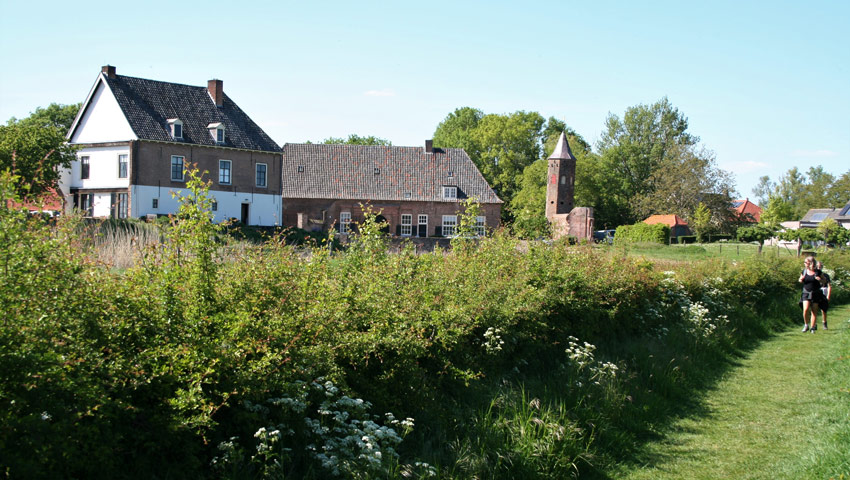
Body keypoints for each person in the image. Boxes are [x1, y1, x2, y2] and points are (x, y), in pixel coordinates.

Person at [798, 256, 824, 333]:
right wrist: (800, 280)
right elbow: (800, 279)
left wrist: (820, 279)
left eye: (806, 262)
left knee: (814, 311)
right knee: (805, 309)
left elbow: (824, 280)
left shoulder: (818, 272)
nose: (804, 264)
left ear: (810, 263)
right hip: (806, 292)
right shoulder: (804, 271)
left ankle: (812, 327)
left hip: (815, 293)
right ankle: (806, 325)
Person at [817, 261, 831, 330]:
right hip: (816, 292)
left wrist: (828, 295)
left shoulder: (826, 275)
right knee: (814, 308)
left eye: (820, 266)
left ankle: (824, 323)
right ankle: (814, 324)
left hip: (824, 292)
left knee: (823, 309)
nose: (819, 268)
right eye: (818, 266)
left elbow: (829, 286)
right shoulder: (814, 275)